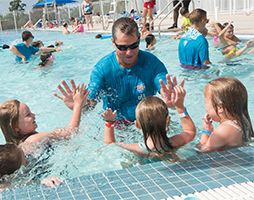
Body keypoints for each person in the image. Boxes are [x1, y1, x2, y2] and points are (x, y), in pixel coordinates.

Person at [54, 17, 177, 123]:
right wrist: (78, 105)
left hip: (147, 123)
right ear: (113, 42)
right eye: (122, 47)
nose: (129, 52)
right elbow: (90, 103)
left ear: (139, 38)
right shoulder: (102, 69)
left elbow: (165, 88)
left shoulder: (152, 63)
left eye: (134, 45)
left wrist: (172, 99)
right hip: (116, 126)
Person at [101, 79, 196, 164]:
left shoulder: (136, 149)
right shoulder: (175, 143)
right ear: (168, 122)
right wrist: (180, 107)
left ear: (137, 125)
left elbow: (110, 144)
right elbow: (190, 131)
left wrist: (109, 123)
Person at [0, 83, 89, 154]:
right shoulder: (32, 140)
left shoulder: (24, 142)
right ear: (16, 127)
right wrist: (78, 104)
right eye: (28, 115)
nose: (33, 115)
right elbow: (71, 132)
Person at [197, 77, 253, 153]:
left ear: (220, 108)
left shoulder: (222, 131)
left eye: (206, 103)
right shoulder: (243, 119)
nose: (205, 106)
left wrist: (206, 131)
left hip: (226, 164)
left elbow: (202, 151)